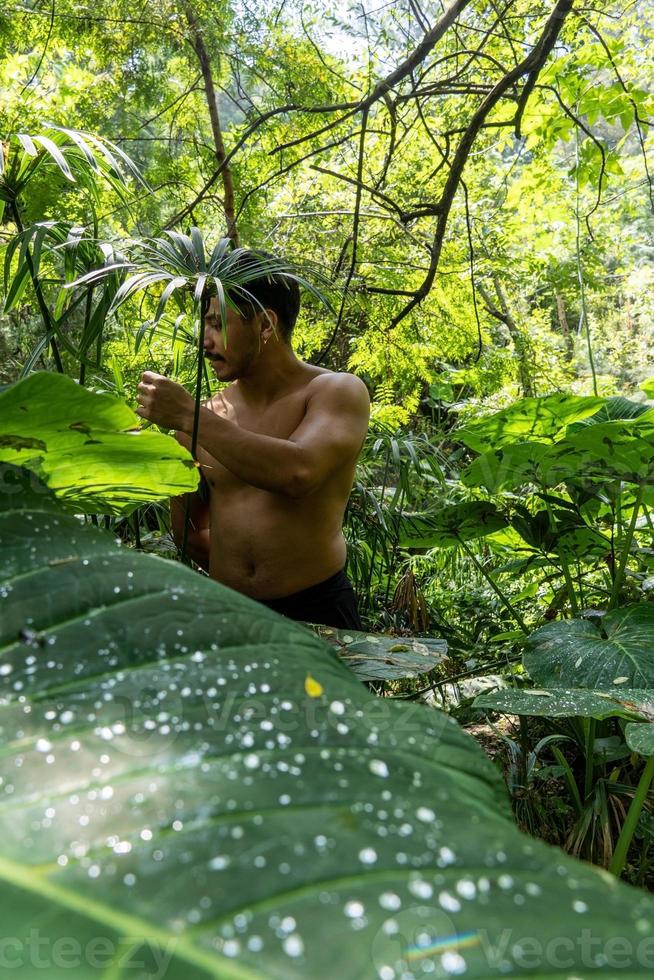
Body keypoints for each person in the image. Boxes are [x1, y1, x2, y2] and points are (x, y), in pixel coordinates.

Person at [135, 251, 370, 629]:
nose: (204, 341)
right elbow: (186, 531)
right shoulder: (206, 416)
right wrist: (241, 580)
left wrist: (187, 415)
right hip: (233, 615)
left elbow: (298, 472)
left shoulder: (335, 391)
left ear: (265, 325)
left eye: (216, 324)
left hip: (319, 610)